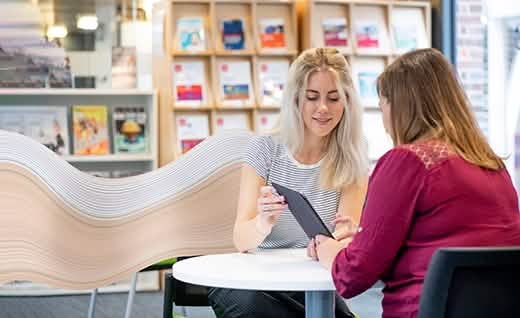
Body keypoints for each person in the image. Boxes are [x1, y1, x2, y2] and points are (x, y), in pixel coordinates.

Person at [312, 48, 520, 318]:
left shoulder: (407, 162)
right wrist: (367, 238)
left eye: (383, 105)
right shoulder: (491, 164)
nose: (385, 121)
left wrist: (328, 250)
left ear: (400, 107)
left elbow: (353, 276)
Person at [207, 47, 369, 318]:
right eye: (312, 97)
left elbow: (343, 238)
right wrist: (262, 222)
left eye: (334, 98)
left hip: (309, 280)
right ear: (295, 100)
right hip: (251, 281)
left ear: (347, 101)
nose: (323, 109)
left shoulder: (352, 155)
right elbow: (240, 240)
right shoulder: (265, 149)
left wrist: (341, 242)